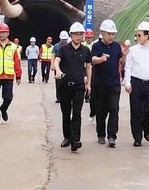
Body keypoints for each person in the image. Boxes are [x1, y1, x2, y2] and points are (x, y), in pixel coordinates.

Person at [124, 21, 149, 147]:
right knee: (136, 111)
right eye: (136, 35)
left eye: (139, 35)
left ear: (147, 36)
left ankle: (146, 128)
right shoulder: (133, 50)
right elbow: (128, 67)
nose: (137, 37)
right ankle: (137, 138)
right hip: (136, 83)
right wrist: (128, 83)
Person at [54, 22, 92, 152]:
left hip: (79, 87)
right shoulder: (63, 49)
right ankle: (67, 137)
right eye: (76, 34)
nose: (78, 36)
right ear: (71, 35)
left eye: (80, 34)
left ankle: (76, 140)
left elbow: (89, 67)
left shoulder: (86, 50)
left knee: (77, 113)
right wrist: (58, 70)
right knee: (66, 113)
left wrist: (88, 84)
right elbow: (56, 61)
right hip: (65, 86)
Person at [90, 19, 127, 147]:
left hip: (114, 84)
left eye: (113, 34)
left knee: (114, 109)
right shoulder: (96, 46)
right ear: (102, 33)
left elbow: (121, 61)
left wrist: (124, 55)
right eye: (109, 34)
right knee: (101, 111)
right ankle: (101, 134)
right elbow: (93, 60)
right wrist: (101, 59)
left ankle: (112, 136)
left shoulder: (117, 46)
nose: (111, 36)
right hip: (99, 84)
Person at [0, 23, 22, 126]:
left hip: (8, 76)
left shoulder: (13, 47)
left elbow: (16, 62)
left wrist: (18, 75)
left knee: (8, 98)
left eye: (3, 32)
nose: (1, 34)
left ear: (8, 33)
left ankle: (3, 108)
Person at [53, 31, 69, 103]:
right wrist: (52, 65)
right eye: (63, 39)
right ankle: (59, 97)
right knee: (58, 82)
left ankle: (67, 97)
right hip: (58, 66)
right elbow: (53, 56)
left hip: (67, 66)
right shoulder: (56, 46)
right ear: (60, 39)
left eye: (65, 39)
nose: (64, 41)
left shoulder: (70, 46)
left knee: (66, 81)